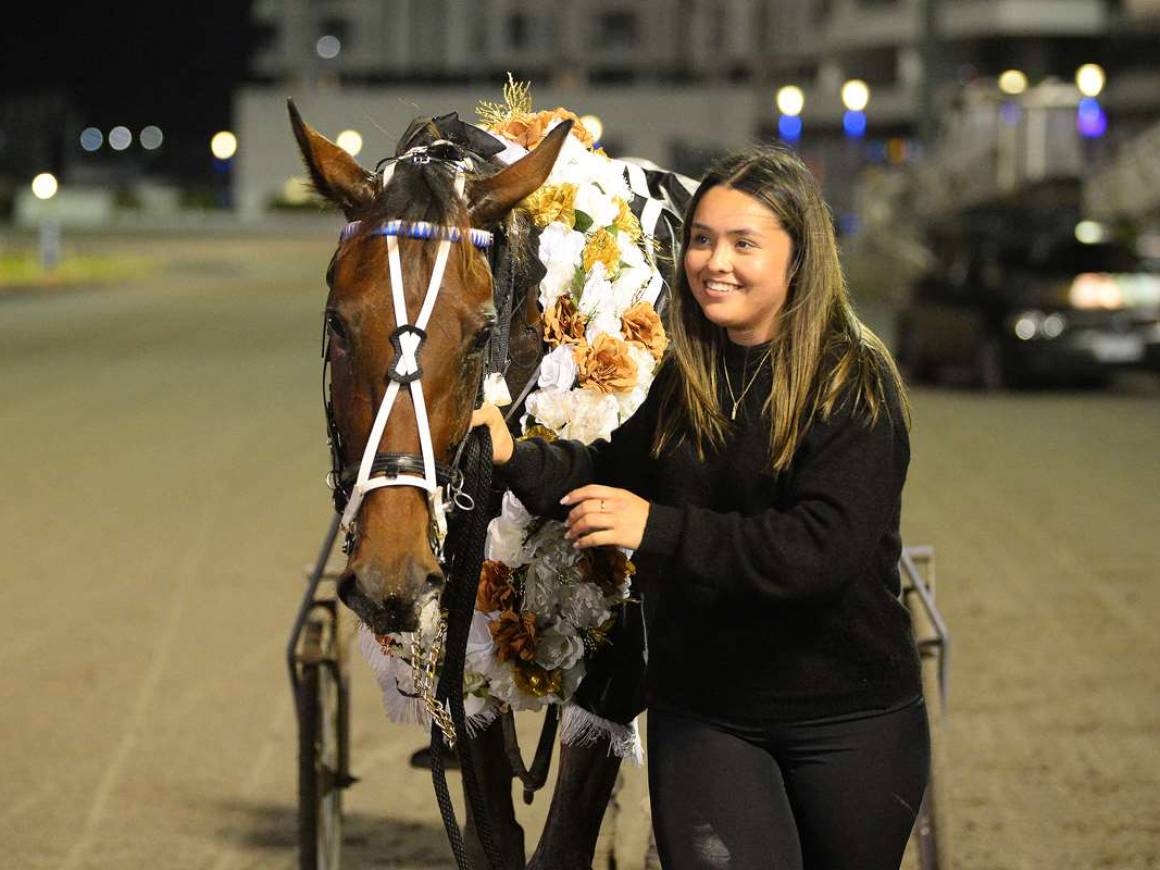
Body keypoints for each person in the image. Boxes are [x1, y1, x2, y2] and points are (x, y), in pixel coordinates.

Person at [472, 145, 929, 870]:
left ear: (799, 259)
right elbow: (608, 472)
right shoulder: (691, 374)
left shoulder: (854, 381)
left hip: (849, 718)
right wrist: (511, 456)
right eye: (703, 239)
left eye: (744, 243)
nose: (715, 261)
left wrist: (658, 529)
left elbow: (820, 551)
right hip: (707, 713)